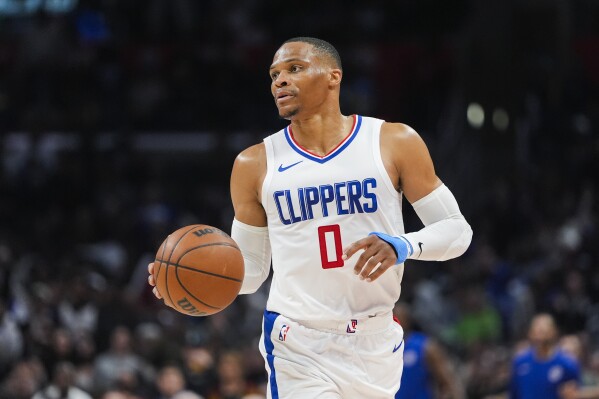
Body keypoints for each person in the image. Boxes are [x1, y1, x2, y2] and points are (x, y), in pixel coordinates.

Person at [148, 37, 472, 398]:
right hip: (297, 343)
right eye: (274, 74)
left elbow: (457, 232)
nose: (279, 81)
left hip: (375, 341)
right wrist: (183, 278)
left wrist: (403, 244)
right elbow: (252, 272)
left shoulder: (393, 141)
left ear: (334, 76)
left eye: (294, 69)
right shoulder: (254, 163)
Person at [393, 303, 465, 399]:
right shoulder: (381, 349)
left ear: (407, 320)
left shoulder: (424, 346)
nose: (394, 321)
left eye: (396, 317)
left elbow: (448, 380)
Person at [509, 313, 579, 399]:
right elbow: (514, 393)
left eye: (544, 329)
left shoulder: (567, 364)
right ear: (530, 333)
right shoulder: (520, 362)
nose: (540, 332)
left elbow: (574, 393)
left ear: (554, 331)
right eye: (537, 329)